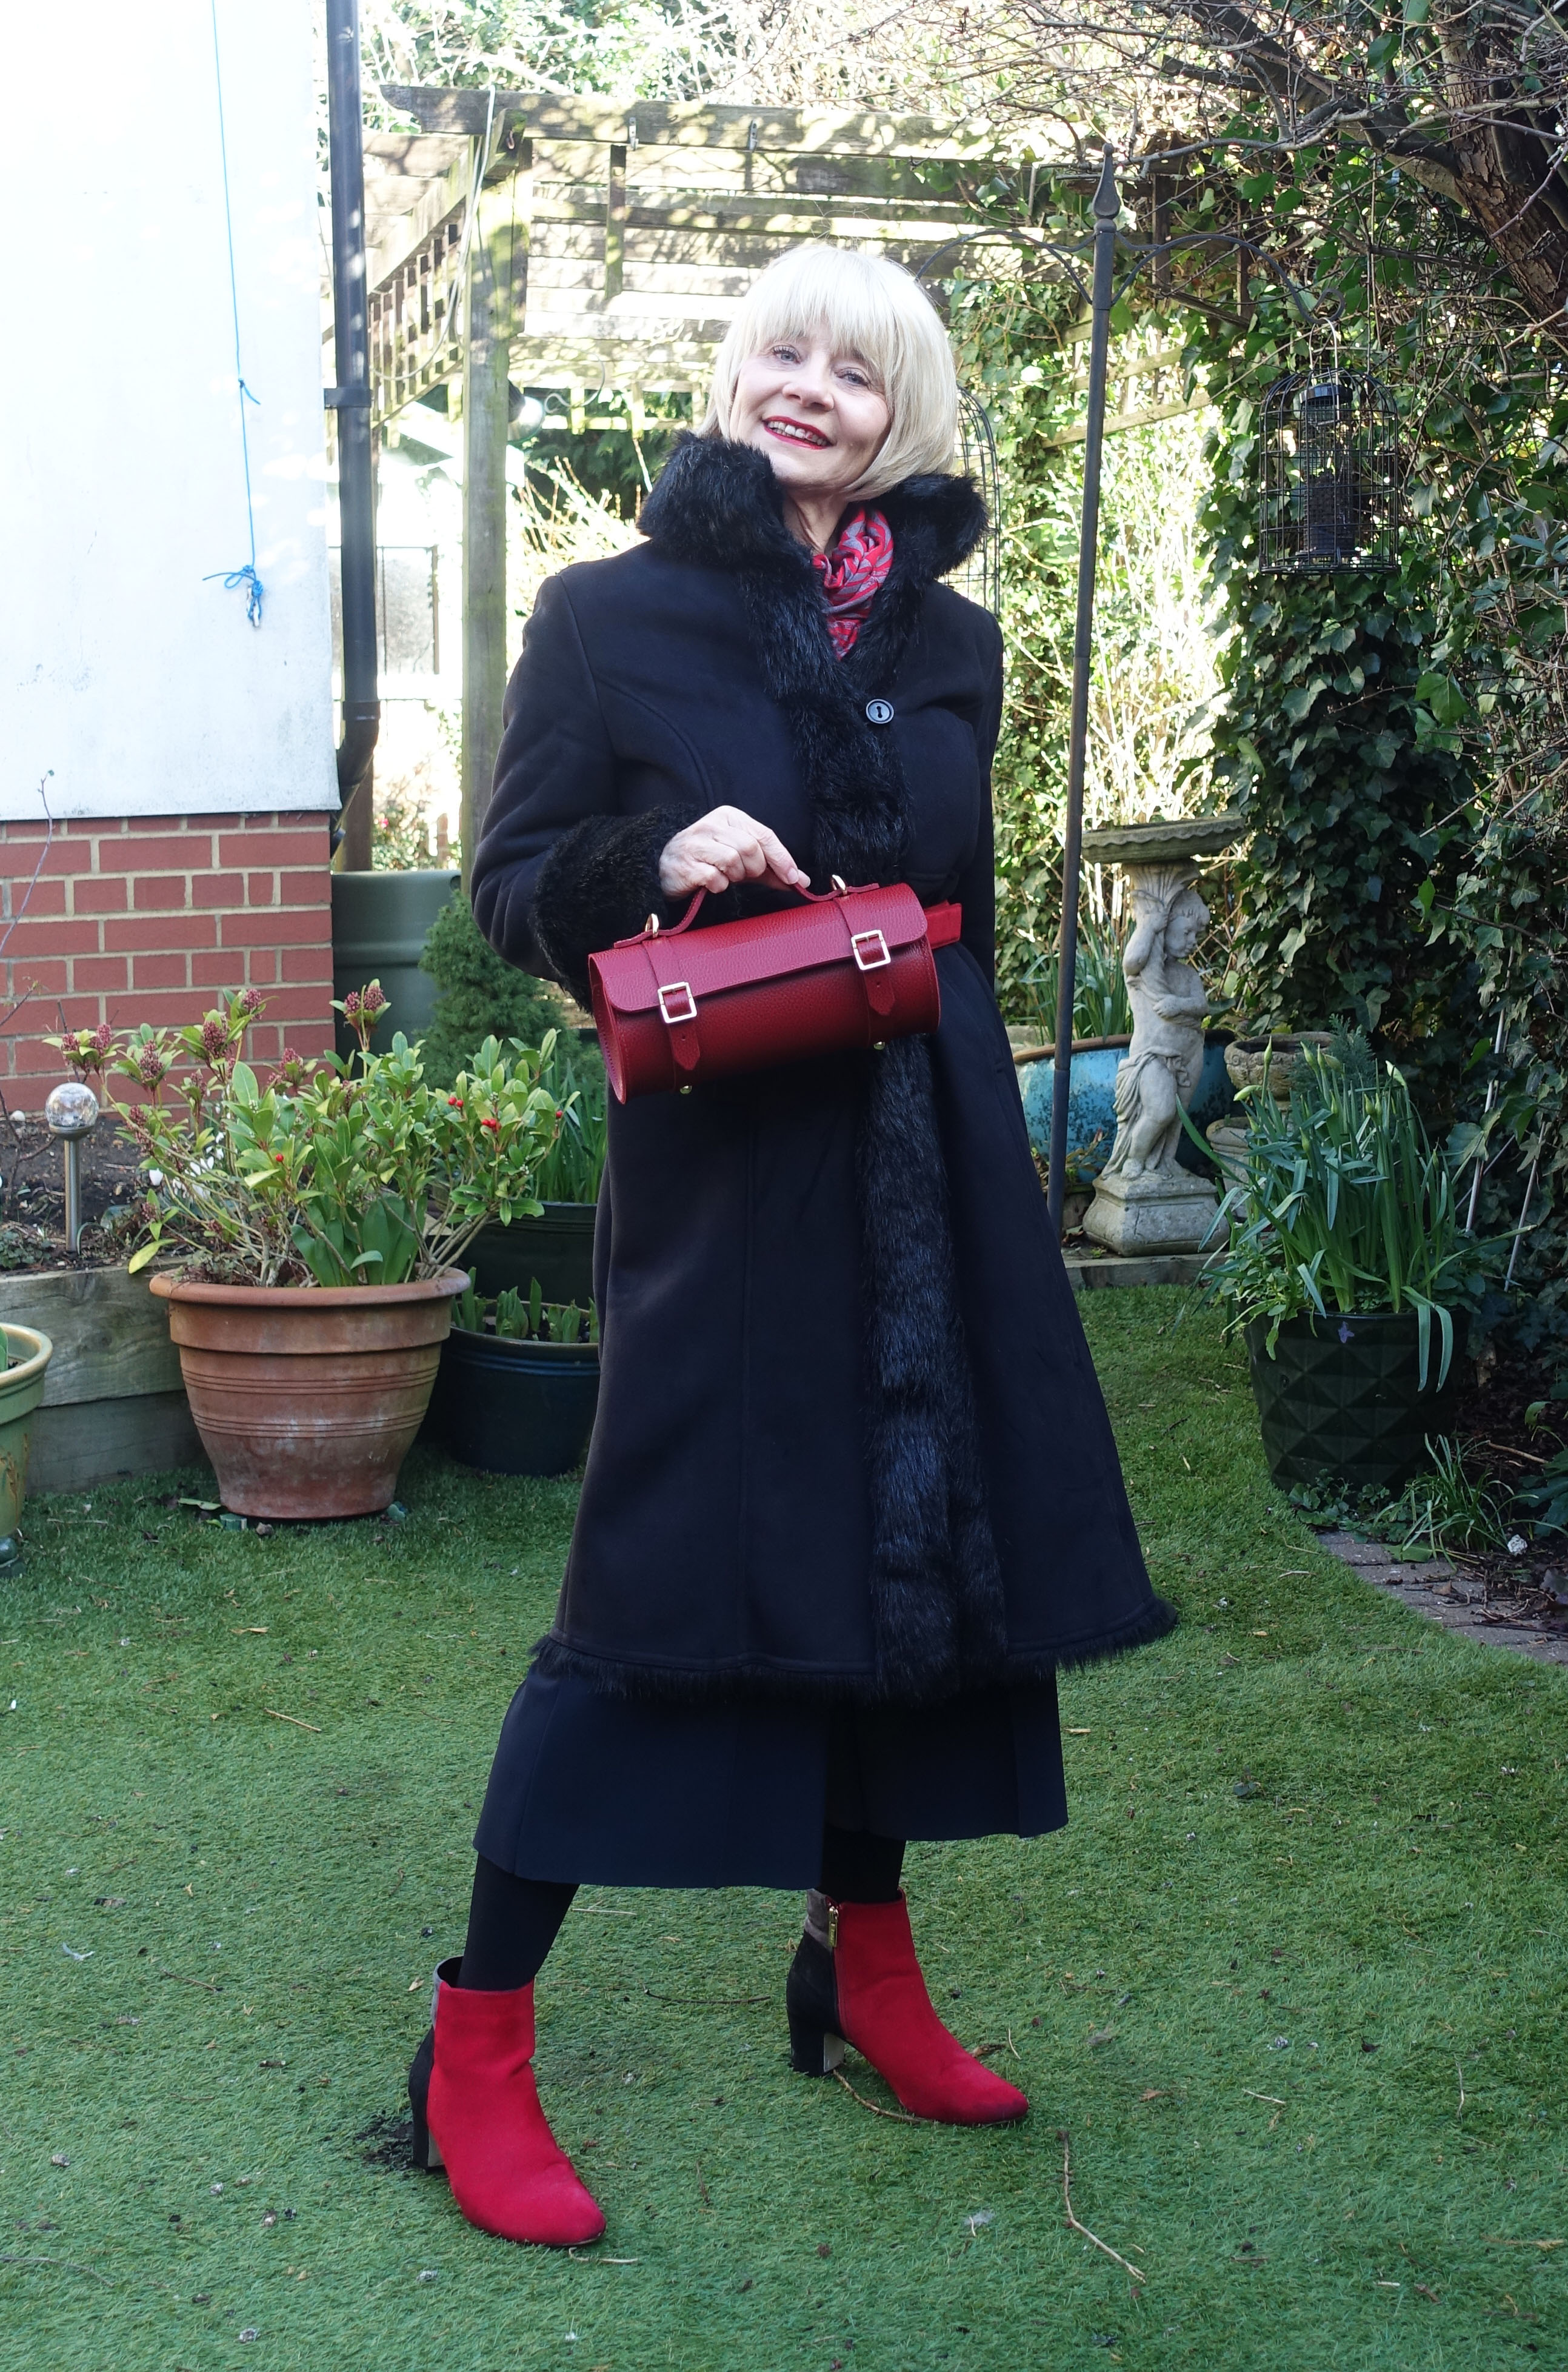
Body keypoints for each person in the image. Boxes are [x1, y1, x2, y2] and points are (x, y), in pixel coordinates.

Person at [406, 242, 1173, 2248]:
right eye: (778, 350)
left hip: (929, 1164)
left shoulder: (954, 640)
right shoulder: (605, 618)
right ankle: (476, 2040)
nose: (806, 383)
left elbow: (957, 910)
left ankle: (864, 1971)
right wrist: (652, 858)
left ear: (902, 411)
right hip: (727, 1188)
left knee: (913, 1573)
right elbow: (508, 889)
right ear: (731, 377)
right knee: (644, 1592)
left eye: (855, 363)